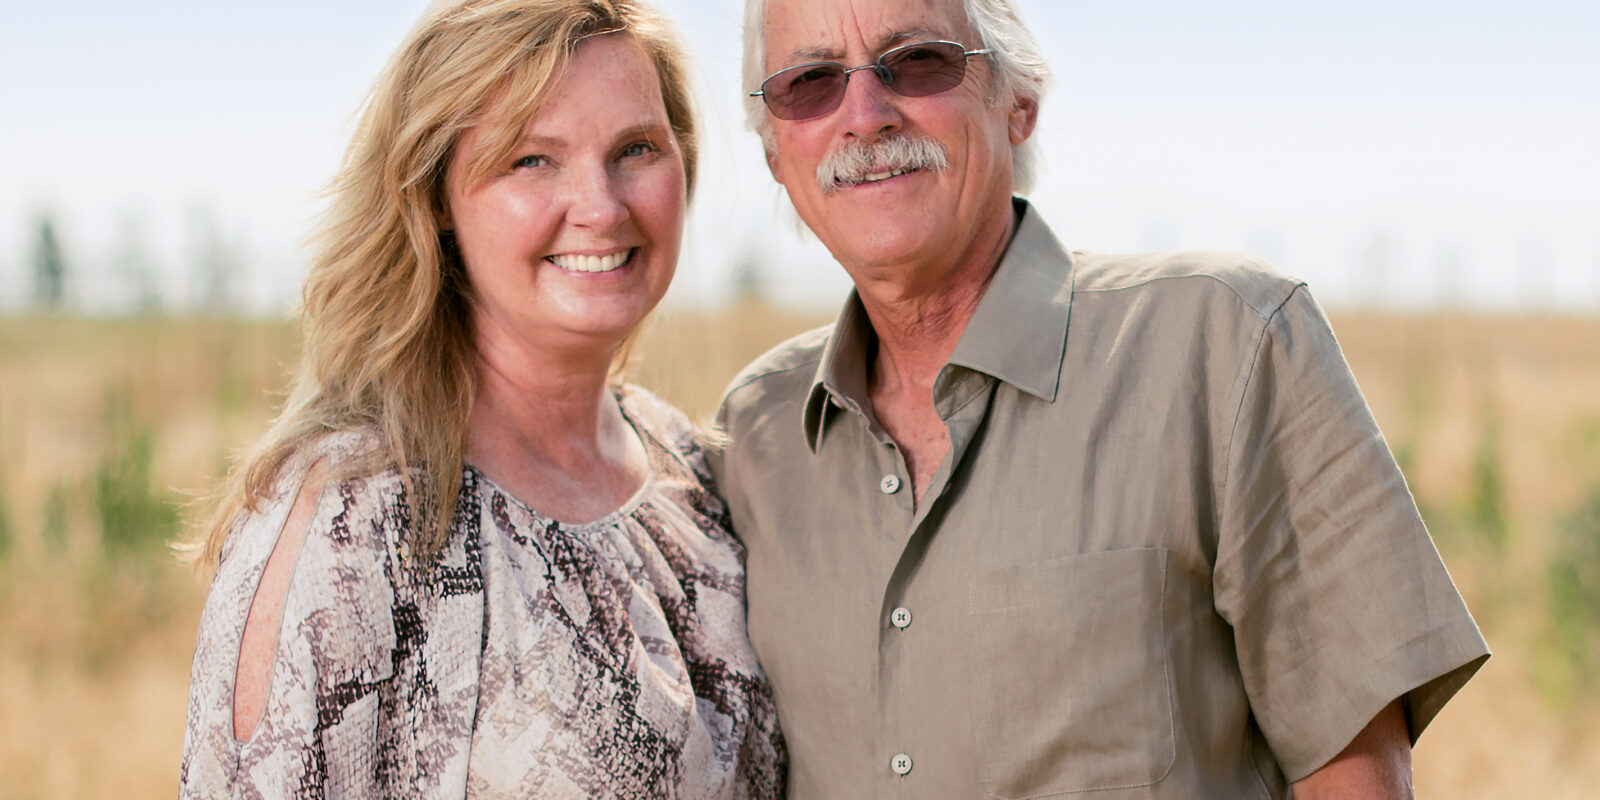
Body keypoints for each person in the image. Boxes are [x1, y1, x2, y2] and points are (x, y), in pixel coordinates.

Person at [711, 0, 1488, 797]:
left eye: (917, 59)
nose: (864, 115)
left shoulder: (1224, 342)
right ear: (775, 152)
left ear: (1019, 100)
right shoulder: (750, 437)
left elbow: (1351, 775)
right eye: (810, 82)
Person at [179, 1, 785, 796]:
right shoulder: (354, 520)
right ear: (436, 200)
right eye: (533, 160)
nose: (601, 207)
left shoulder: (696, 472)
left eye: (635, 148)